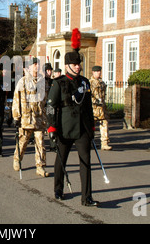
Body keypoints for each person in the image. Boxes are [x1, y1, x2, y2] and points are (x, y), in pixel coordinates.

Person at [46, 28, 99, 207]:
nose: (78, 66)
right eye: (74, 64)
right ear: (67, 65)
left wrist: (92, 128)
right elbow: (51, 107)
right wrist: (52, 128)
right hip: (64, 127)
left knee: (86, 162)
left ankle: (87, 197)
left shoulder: (84, 82)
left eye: (79, 64)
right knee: (61, 160)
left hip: (82, 128)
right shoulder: (59, 82)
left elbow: (88, 107)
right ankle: (58, 189)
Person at [12, 58, 49, 177]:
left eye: (38, 64)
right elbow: (16, 100)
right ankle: (17, 158)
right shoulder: (22, 82)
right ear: (28, 68)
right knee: (23, 141)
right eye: (34, 65)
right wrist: (16, 117)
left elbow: (47, 101)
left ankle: (40, 166)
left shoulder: (43, 82)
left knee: (40, 142)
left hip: (39, 117)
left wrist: (49, 115)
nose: (36, 67)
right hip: (26, 118)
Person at [90, 65, 112, 150]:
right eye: (96, 71)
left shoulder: (102, 82)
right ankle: (90, 142)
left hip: (102, 108)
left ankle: (104, 143)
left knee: (104, 124)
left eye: (99, 71)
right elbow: (89, 95)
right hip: (93, 108)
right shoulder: (90, 82)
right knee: (91, 126)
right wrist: (95, 101)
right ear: (93, 72)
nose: (98, 73)